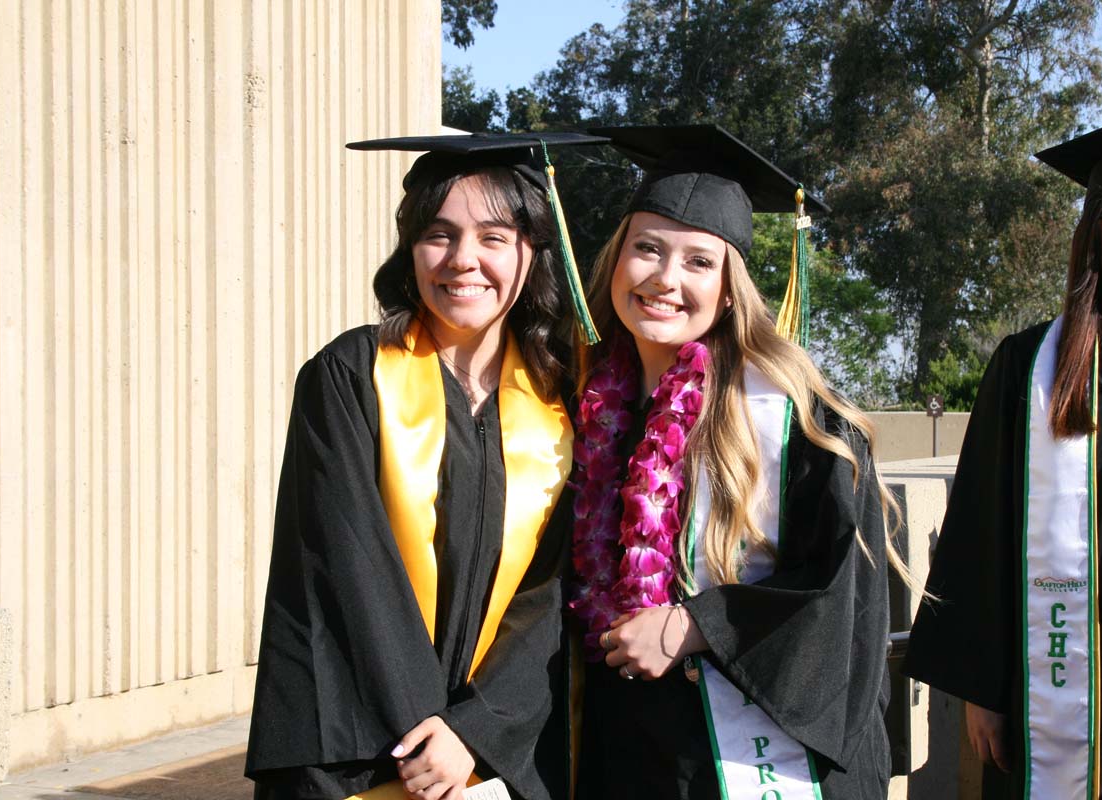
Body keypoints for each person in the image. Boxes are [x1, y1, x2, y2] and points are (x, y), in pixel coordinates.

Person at [244, 131, 604, 800]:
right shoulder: (348, 376)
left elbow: (554, 593)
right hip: (363, 747)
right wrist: (428, 731)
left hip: (499, 755)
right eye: (439, 235)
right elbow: (345, 568)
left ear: (532, 254)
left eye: (494, 237)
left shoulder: (567, 401)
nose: (463, 260)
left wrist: (477, 731)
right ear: (410, 249)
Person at [567, 125, 909, 800]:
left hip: (766, 765)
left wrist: (696, 623)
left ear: (730, 289)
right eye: (648, 249)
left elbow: (844, 601)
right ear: (615, 260)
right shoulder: (582, 404)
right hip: (631, 759)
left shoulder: (801, 419)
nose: (666, 279)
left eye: (699, 262)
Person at [904, 108, 1102, 798]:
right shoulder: (1028, 366)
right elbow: (977, 534)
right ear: (1094, 232)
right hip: (1044, 701)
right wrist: (981, 689)